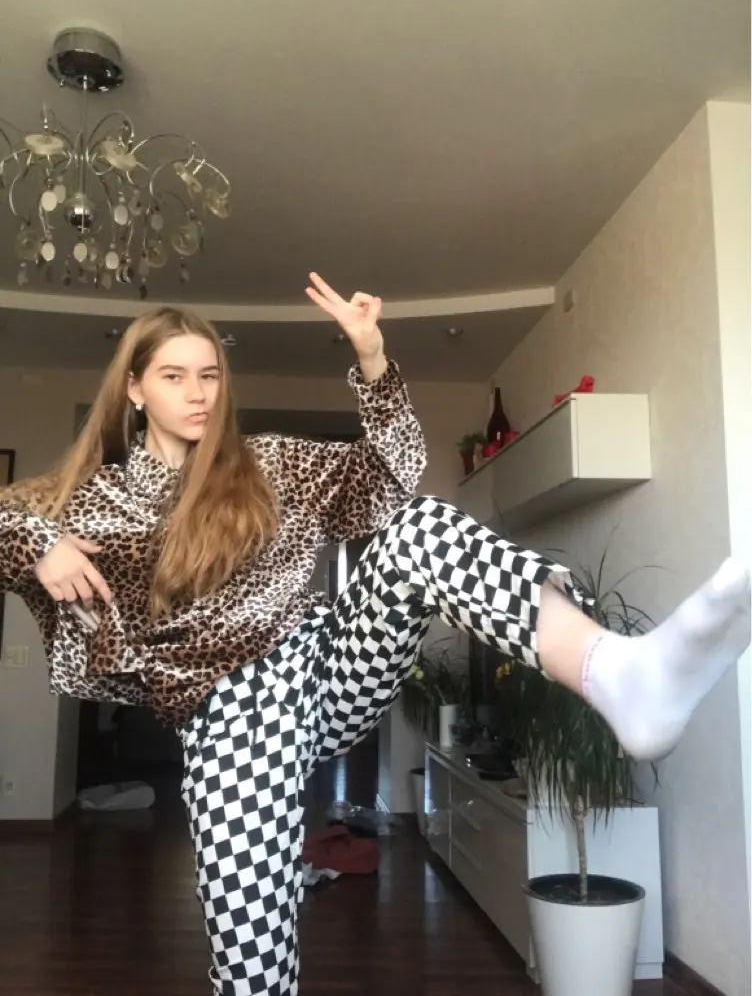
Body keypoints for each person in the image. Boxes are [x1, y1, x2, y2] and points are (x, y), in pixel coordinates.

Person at [0, 273, 749, 996]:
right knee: (251, 954)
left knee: (417, 526)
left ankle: (616, 674)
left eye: (210, 375)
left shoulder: (267, 465)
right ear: (134, 388)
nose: (198, 393)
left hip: (322, 669)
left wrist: (372, 358)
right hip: (228, 721)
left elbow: (389, 480)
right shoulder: (92, 500)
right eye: (174, 376)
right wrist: (40, 543)